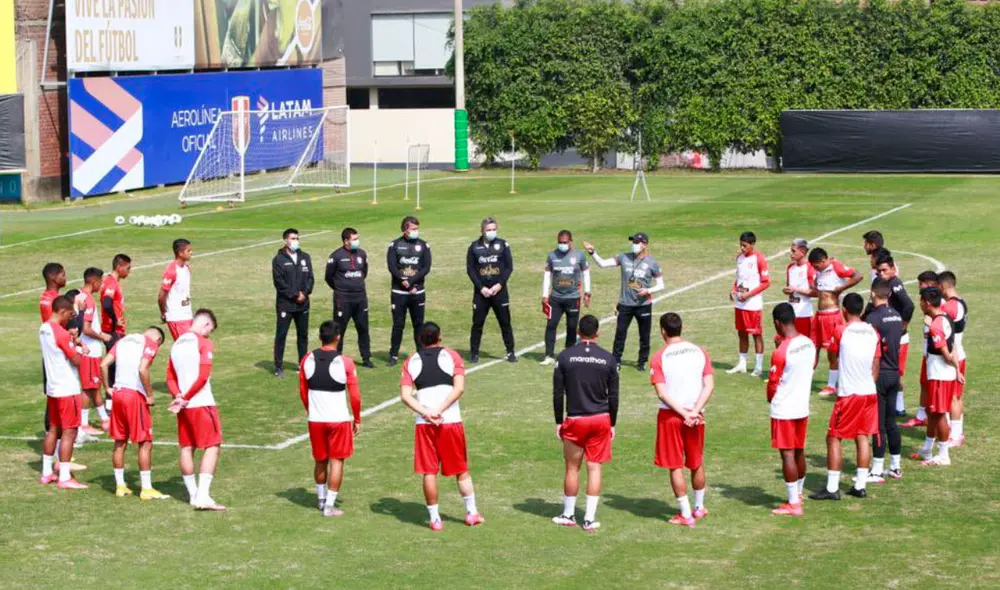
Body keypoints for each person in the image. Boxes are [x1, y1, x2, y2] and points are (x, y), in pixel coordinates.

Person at [400, 322, 484, 531]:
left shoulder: (411, 361)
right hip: (451, 421)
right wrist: (440, 410)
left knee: (429, 472)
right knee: (461, 470)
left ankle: (435, 519)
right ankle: (471, 513)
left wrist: (427, 413)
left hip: (424, 424)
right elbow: (459, 389)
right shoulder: (452, 356)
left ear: (420, 339)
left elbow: (405, 396)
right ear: (440, 337)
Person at [552, 315, 619, 532]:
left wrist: (558, 421)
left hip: (575, 419)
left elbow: (558, 392)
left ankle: (568, 514)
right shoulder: (608, 359)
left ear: (578, 332)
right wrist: (612, 423)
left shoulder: (565, 357)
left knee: (572, 467)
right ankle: (589, 518)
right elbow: (614, 395)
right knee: (595, 467)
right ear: (598, 333)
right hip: (600, 419)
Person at [810, 293, 880, 501]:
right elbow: (876, 365)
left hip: (849, 394)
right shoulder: (873, 332)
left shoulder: (841, 330)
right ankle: (860, 485)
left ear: (844, 310)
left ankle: (832, 488)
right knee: (862, 436)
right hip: (869, 392)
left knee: (833, 437)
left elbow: (833, 355)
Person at [649, 313, 714, 527]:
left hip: (671, 416)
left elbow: (662, 393)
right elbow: (709, 385)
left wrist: (684, 414)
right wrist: (694, 411)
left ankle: (686, 514)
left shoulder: (660, 357)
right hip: (696, 416)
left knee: (675, 465)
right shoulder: (699, 351)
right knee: (696, 461)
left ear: (663, 331)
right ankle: (699, 507)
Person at [299, 321, 362, 517]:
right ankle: (329, 506)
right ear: (338, 338)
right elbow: (355, 396)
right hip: (338, 420)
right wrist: (357, 419)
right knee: (337, 461)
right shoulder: (346, 362)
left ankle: (321, 499)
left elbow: (303, 391)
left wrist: (311, 411)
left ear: (320, 337)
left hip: (315, 420)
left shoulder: (307, 359)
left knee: (320, 460)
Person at [166, 309, 226, 510]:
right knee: (213, 445)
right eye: (210, 330)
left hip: (183, 406)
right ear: (206, 324)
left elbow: (170, 378)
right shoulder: (203, 343)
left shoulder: (176, 344)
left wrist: (178, 396)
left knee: (186, 447)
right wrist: (186, 398)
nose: (209, 334)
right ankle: (203, 495)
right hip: (201, 402)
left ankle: (193, 495)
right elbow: (202, 377)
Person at [101, 326, 169, 499]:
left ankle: (120, 486)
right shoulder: (149, 343)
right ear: (158, 340)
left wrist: (107, 387)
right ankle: (146, 489)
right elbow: (142, 369)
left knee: (120, 441)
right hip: (134, 395)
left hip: (118, 394)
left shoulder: (123, 341)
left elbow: (104, 364)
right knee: (145, 442)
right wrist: (150, 395)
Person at [582, 232, 664, 371]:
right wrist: (593, 252)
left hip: (643, 305)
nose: (634, 244)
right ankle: (616, 361)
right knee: (620, 334)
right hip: (625, 304)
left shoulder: (652, 263)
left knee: (644, 336)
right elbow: (602, 264)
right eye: (633, 242)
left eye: (637, 242)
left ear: (645, 245)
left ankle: (642, 362)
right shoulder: (623, 257)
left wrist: (648, 291)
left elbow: (661, 285)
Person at [767, 303, 815, 516]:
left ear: (777, 323)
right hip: (802, 407)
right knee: (799, 450)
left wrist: (770, 399)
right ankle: (799, 493)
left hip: (784, 409)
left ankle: (793, 503)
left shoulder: (781, 352)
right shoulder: (808, 343)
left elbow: (772, 385)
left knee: (787, 454)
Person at [39, 296, 89, 489]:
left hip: (53, 388)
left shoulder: (44, 328)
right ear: (62, 311)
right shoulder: (60, 333)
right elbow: (76, 361)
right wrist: (79, 349)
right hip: (67, 388)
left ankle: (46, 473)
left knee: (53, 429)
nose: (71, 317)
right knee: (69, 432)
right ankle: (65, 477)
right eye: (70, 314)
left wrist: (71, 342)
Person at [910, 287, 963, 466]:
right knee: (932, 412)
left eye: (921, 302)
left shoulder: (936, 325)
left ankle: (943, 454)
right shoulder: (946, 318)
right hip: (942, 375)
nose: (920, 305)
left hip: (940, 376)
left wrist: (954, 366)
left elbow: (947, 355)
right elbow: (954, 347)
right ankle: (927, 448)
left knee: (939, 414)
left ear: (926, 303)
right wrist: (957, 370)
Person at [864, 280, 904, 482]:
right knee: (891, 423)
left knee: (878, 424)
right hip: (894, 372)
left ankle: (877, 469)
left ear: (873, 293)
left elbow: (869, 348)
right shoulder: (897, 315)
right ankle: (895, 466)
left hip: (879, 374)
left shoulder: (873, 318)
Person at [808, 247, 863, 396]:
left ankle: (832, 385)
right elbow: (817, 290)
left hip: (832, 316)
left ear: (823, 260)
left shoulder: (836, 266)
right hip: (819, 316)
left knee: (832, 352)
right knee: (813, 348)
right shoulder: (819, 272)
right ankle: (805, 381)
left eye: (816, 265)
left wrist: (842, 288)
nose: (814, 268)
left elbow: (858, 275)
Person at [864, 254, 914, 418]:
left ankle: (899, 406)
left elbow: (909, 305)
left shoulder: (895, 283)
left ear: (893, 269)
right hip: (884, 335)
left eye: (884, 270)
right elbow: (869, 308)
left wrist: (902, 328)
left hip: (895, 336)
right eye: (878, 271)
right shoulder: (880, 285)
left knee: (894, 371)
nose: (881, 274)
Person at [467, 217, 517, 363]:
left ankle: (510, 352)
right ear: (482, 231)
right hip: (481, 294)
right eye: (488, 230)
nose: (492, 232)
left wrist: (499, 285)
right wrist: (481, 288)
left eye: (494, 229)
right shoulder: (474, 247)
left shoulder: (503, 245)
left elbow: (509, 267)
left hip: (499, 292)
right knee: (477, 324)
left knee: (505, 322)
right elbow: (470, 270)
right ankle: (474, 353)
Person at [325, 227, 374, 368]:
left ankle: (366, 358)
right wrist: (340, 289)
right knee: (339, 329)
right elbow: (328, 277)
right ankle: (336, 357)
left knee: (363, 328)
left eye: (357, 238)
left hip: (360, 298)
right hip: (343, 299)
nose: (357, 241)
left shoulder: (362, 254)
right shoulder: (336, 256)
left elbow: (364, 272)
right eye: (354, 239)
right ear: (346, 241)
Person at [386, 216, 432, 367]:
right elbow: (392, 267)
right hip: (399, 293)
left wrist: (412, 282)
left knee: (418, 325)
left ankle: (422, 353)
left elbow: (426, 267)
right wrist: (403, 280)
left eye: (417, 228)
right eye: (413, 229)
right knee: (398, 325)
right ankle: (393, 355)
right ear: (405, 230)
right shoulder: (395, 245)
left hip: (417, 292)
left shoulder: (424, 245)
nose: (416, 231)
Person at [541, 230, 591, 365]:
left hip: (573, 297)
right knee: (551, 325)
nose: (562, 244)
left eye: (565, 242)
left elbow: (586, 273)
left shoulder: (579, 256)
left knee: (572, 326)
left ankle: (569, 353)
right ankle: (549, 355)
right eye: (560, 242)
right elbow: (547, 275)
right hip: (555, 298)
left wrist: (587, 292)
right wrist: (545, 294)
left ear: (571, 242)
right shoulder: (552, 256)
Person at [272, 229, 314, 378]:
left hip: (303, 304)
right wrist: (296, 295)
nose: (296, 241)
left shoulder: (305, 257)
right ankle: (278, 366)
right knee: (281, 335)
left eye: (297, 238)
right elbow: (279, 283)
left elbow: (310, 278)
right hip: (286, 304)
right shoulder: (278, 260)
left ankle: (302, 364)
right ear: (285, 240)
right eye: (293, 238)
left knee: (303, 335)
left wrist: (305, 293)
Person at [75, 268, 112, 437]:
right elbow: (86, 328)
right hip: (89, 352)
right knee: (87, 388)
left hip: (88, 350)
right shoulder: (88, 300)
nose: (101, 285)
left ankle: (104, 419)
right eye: (100, 282)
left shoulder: (79, 296)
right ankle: (83, 424)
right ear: (94, 281)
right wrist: (102, 336)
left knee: (94, 386)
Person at [728, 231, 771, 375]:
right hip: (740, 303)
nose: (742, 248)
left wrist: (749, 294)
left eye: (744, 245)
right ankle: (742, 364)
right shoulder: (739, 258)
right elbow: (738, 278)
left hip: (753, 304)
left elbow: (766, 282)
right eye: (740, 245)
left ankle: (758, 367)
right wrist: (733, 289)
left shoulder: (759, 259)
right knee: (741, 333)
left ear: (752, 244)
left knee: (756, 334)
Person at [903, 271, 941, 429]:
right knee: (924, 383)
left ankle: (939, 421)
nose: (919, 286)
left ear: (930, 284)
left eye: (921, 283)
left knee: (934, 388)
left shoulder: (938, 304)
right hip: (928, 352)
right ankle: (921, 416)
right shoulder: (928, 302)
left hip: (936, 354)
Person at [938, 272, 968, 447]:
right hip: (958, 354)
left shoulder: (950, 306)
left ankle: (955, 435)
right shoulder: (960, 302)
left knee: (953, 397)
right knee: (956, 396)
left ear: (943, 287)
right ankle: (956, 432)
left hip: (953, 356)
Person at [101, 253, 131, 391]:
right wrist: (114, 321)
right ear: (119, 267)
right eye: (127, 268)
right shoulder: (111, 282)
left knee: (116, 364)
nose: (129, 272)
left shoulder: (112, 281)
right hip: (113, 331)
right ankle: (111, 396)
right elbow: (106, 303)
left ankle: (112, 396)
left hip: (114, 330)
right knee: (114, 365)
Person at [780, 238, 815, 347]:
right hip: (790, 314)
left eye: (793, 251)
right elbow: (789, 288)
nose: (791, 253)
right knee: (786, 343)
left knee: (804, 345)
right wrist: (786, 290)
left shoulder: (810, 268)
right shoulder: (790, 268)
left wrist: (796, 290)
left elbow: (816, 292)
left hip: (804, 314)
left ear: (803, 252)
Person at [159, 239, 194, 340]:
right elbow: (161, 296)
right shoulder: (172, 271)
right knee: (185, 346)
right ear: (180, 253)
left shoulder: (186, 268)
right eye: (188, 250)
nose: (191, 253)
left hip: (187, 314)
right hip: (176, 317)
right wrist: (164, 313)